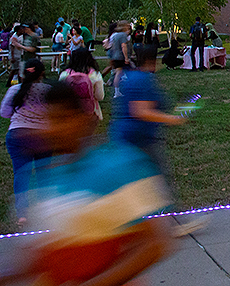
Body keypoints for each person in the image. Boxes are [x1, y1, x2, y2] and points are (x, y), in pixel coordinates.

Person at [1, 80, 176, 286]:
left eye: (62, 119)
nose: (53, 129)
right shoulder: (43, 178)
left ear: (83, 119)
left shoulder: (118, 167)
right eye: (49, 120)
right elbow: (43, 257)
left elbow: (155, 243)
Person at [109, 45, 186, 175]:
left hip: (123, 137)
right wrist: (172, 119)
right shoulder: (143, 79)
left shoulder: (129, 76)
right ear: (151, 61)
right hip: (137, 140)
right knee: (154, 176)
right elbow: (141, 111)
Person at [1, 59, 53, 227]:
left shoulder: (15, 89)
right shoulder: (49, 90)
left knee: (21, 174)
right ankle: (45, 211)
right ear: (42, 73)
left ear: (23, 74)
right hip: (43, 136)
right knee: (43, 174)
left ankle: (22, 215)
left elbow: (4, 112)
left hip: (18, 135)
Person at [59, 47, 105, 121]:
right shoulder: (95, 75)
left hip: (70, 110)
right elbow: (100, 96)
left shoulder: (65, 75)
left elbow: (60, 95)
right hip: (90, 111)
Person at [108, 21, 132, 97]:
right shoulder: (123, 35)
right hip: (120, 56)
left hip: (115, 55)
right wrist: (126, 58)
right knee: (120, 73)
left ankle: (117, 91)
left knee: (119, 72)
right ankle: (119, 91)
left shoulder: (115, 35)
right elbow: (123, 46)